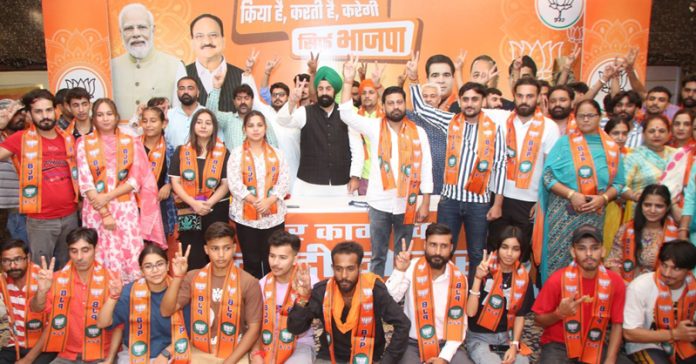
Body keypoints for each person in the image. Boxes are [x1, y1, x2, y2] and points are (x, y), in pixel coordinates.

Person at [340, 57, 433, 277]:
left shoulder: (418, 132)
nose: (395, 106)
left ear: (405, 105)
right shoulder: (373, 127)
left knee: (403, 256)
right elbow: (345, 114)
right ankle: (376, 295)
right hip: (379, 203)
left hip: (407, 204)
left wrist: (425, 202)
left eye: (399, 102)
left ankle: (399, 297)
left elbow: (426, 166)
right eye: (390, 103)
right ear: (384, 106)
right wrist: (348, 80)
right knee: (378, 256)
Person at [412, 81, 506, 280]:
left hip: (479, 204)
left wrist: (497, 204)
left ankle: (472, 299)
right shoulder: (450, 121)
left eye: (475, 99)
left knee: (476, 254)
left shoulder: (495, 129)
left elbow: (500, 167)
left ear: (483, 101)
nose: (470, 103)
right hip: (450, 202)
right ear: (460, 101)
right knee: (442, 252)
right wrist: (413, 80)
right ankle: (443, 294)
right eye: (465, 99)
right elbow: (421, 108)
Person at [534, 99, 624, 283]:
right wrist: (571, 195)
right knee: (558, 261)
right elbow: (547, 177)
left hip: (593, 214)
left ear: (599, 117)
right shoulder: (564, 143)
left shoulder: (611, 148)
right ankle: (555, 306)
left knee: (588, 260)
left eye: (590, 115)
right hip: (563, 214)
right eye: (581, 116)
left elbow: (620, 183)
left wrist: (604, 199)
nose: (585, 120)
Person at [76, 98, 164, 282]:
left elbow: (135, 180)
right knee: (101, 252)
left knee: (129, 253)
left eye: (109, 114)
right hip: (96, 210)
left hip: (124, 208)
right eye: (100, 115)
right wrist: (104, 211)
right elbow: (85, 181)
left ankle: (131, 298)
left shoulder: (130, 142)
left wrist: (108, 196)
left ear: (116, 117)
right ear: (94, 118)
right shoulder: (84, 143)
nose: (105, 119)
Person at [288, 241, 410, 363]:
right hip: (330, 357)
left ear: (360, 268)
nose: (344, 275)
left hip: (369, 357)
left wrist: (387, 361)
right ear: (332, 268)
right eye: (338, 269)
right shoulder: (323, 291)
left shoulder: (374, 289)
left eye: (350, 269)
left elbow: (403, 324)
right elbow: (295, 329)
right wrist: (303, 298)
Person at [160, 222, 263, 363]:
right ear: (206, 250)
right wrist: (178, 277)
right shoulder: (192, 277)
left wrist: (229, 362)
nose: (221, 255)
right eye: (215, 248)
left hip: (235, 353)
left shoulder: (249, 282)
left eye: (226, 248)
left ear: (234, 249)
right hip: (199, 351)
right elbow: (166, 311)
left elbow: (254, 329)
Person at [0, 89, 79, 269]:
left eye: (48, 110)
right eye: (38, 111)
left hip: (70, 216)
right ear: (29, 114)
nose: (45, 116)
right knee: (41, 271)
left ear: (55, 111)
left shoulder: (67, 138)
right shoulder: (21, 138)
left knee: (67, 270)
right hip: (40, 220)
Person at [485, 78, 561, 264]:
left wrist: (541, 199)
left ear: (538, 98)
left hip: (530, 202)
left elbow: (550, 168)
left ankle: (518, 291)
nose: (524, 100)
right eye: (520, 96)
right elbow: (467, 107)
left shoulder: (549, 127)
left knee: (522, 254)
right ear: (514, 96)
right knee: (495, 250)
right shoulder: (500, 119)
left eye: (529, 96)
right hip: (499, 198)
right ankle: (492, 291)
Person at [533, 225, 628, 364]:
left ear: (603, 251)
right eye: (582, 248)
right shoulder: (557, 279)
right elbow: (538, 320)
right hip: (560, 345)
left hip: (595, 343)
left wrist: (610, 359)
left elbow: (617, 324)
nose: (589, 254)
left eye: (594, 248)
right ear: (573, 252)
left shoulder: (615, 281)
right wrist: (559, 314)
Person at [30, 227, 122, 363]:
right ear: (68, 252)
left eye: (85, 250)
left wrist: (109, 360)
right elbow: (36, 309)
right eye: (74, 251)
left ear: (96, 249)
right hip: (66, 356)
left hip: (102, 355)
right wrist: (42, 291)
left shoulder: (112, 280)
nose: (79, 257)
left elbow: (119, 326)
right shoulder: (56, 279)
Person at [386, 223, 472, 363]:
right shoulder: (411, 267)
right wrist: (399, 271)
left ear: (451, 248)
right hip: (412, 343)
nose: (437, 251)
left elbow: (460, 326)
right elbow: (390, 300)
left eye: (443, 246)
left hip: (445, 343)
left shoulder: (459, 279)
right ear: (425, 245)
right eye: (433, 245)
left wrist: (444, 358)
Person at [277, 66, 363, 197]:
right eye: (321, 88)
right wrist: (292, 101)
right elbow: (282, 121)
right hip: (308, 186)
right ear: (316, 90)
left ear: (335, 91)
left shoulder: (346, 114)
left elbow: (357, 148)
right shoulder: (305, 112)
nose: (324, 93)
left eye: (328, 89)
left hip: (342, 185)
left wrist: (355, 176)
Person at [96, 243, 191, 363]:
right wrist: (113, 296)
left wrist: (167, 353)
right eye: (148, 266)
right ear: (141, 270)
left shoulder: (180, 289)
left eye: (160, 264)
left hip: (171, 352)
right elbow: (102, 323)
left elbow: (188, 332)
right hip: (133, 353)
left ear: (168, 266)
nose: (155, 270)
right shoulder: (130, 291)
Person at [228, 111, 289, 279]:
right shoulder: (236, 154)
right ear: (244, 129)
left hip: (273, 217)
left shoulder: (277, 154)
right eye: (251, 125)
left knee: (273, 262)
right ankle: (254, 301)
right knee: (251, 262)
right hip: (246, 218)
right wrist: (256, 202)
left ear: (265, 128)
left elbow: (284, 181)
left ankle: (272, 300)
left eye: (259, 125)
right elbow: (234, 184)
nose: (255, 129)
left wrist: (269, 201)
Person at [169, 109, 230, 270]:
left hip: (215, 208)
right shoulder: (181, 151)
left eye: (208, 123)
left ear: (214, 127)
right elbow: (175, 182)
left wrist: (208, 203)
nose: (203, 126)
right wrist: (193, 203)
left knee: (217, 250)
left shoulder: (223, 152)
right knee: (192, 251)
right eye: (199, 122)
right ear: (193, 126)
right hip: (188, 208)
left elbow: (225, 184)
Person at [465, 226, 534, 364]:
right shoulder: (483, 270)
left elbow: (520, 316)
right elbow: (470, 312)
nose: (509, 253)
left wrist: (514, 345)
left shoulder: (523, 277)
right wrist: (478, 279)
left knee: (523, 362)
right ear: (497, 247)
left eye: (515, 249)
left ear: (521, 251)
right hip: (480, 338)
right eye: (505, 247)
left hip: (507, 337)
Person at [623, 240, 696, 363]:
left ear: (688, 270)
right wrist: (674, 334)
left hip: (682, 343)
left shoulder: (692, 287)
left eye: (676, 269)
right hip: (644, 345)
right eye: (664, 265)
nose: (667, 273)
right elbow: (629, 333)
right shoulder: (640, 286)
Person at [250, 230, 318, 363]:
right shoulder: (262, 284)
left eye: (282, 258)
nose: (275, 263)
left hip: (299, 344)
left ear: (295, 258)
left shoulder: (310, 283)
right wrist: (256, 352)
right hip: (267, 343)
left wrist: (306, 296)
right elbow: (255, 324)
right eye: (272, 256)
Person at [111, 3, 184, 119]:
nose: (136, 34)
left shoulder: (175, 66)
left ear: (152, 29)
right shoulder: (110, 67)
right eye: (129, 28)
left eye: (142, 27)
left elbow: (180, 116)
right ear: (121, 33)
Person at [0, 239, 56, 363]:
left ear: (28, 258)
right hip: (12, 346)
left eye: (18, 259)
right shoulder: (2, 280)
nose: (13, 266)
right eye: (6, 261)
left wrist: (28, 359)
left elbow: (52, 327)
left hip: (42, 347)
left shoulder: (43, 279)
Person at [608, 184, 679, 282]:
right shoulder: (626, 229)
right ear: (641, 205)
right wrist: (623, 285)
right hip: (628, 286)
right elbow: (613, 262)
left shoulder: (675, 233)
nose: (652, 210)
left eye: (659, 206)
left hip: (663, 289)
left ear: (667, 208)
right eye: (647, 205)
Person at [180, 14, 246, 112]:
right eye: (199, 36)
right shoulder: (181, 73)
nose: (207, 41)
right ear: (192, 43)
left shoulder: (242, 76)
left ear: (223, 40)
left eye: (213, 35)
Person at [621, 114, 676, 224]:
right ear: (643, 134)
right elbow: (621, 185)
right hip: (643, 212)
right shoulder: (634, 156)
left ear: (669, 134)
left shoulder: (677, 155)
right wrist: (636, 196)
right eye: (651, 131)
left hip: (673, 214)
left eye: (661, 131)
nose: (656, 135)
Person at [207, 67, 279, 150]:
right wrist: (216, 88)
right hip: (234, 162)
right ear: (234, 101)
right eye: (239, 98)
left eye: (246, 98)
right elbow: (210, 114)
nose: (243, 102)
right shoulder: (228, 119)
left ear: (252, 101)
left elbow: (273, 146)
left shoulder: (262, 120)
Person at [141, 106, 176, 236]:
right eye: (145, 121)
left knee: (161, 241)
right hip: (139, 202)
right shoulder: (134, 146)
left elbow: (177, 176)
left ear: (164, 123)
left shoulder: (170, 149)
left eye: (153, 121)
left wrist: (169, 185)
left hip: (161, 202)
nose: (148, 125)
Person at [0, 101, 29, 244]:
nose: (20, 117)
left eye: (22, 113)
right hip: (3, 207)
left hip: (27, 206)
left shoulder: (28, 137)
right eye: (14, 114)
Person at [602, 117, 632, 251]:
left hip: (628, 208)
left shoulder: (633, 155)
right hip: (605, 206)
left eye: (624, 133)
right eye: (615, 133)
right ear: (606, 134)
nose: (620, 137)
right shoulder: (600, 155)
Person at [165, 76, 206, 149]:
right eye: (182, 88)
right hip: (172, 159)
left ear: (198, 92)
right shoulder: (168, 115)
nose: (186, 92)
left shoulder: (207, 114)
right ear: (177, 92)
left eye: (190, 88)